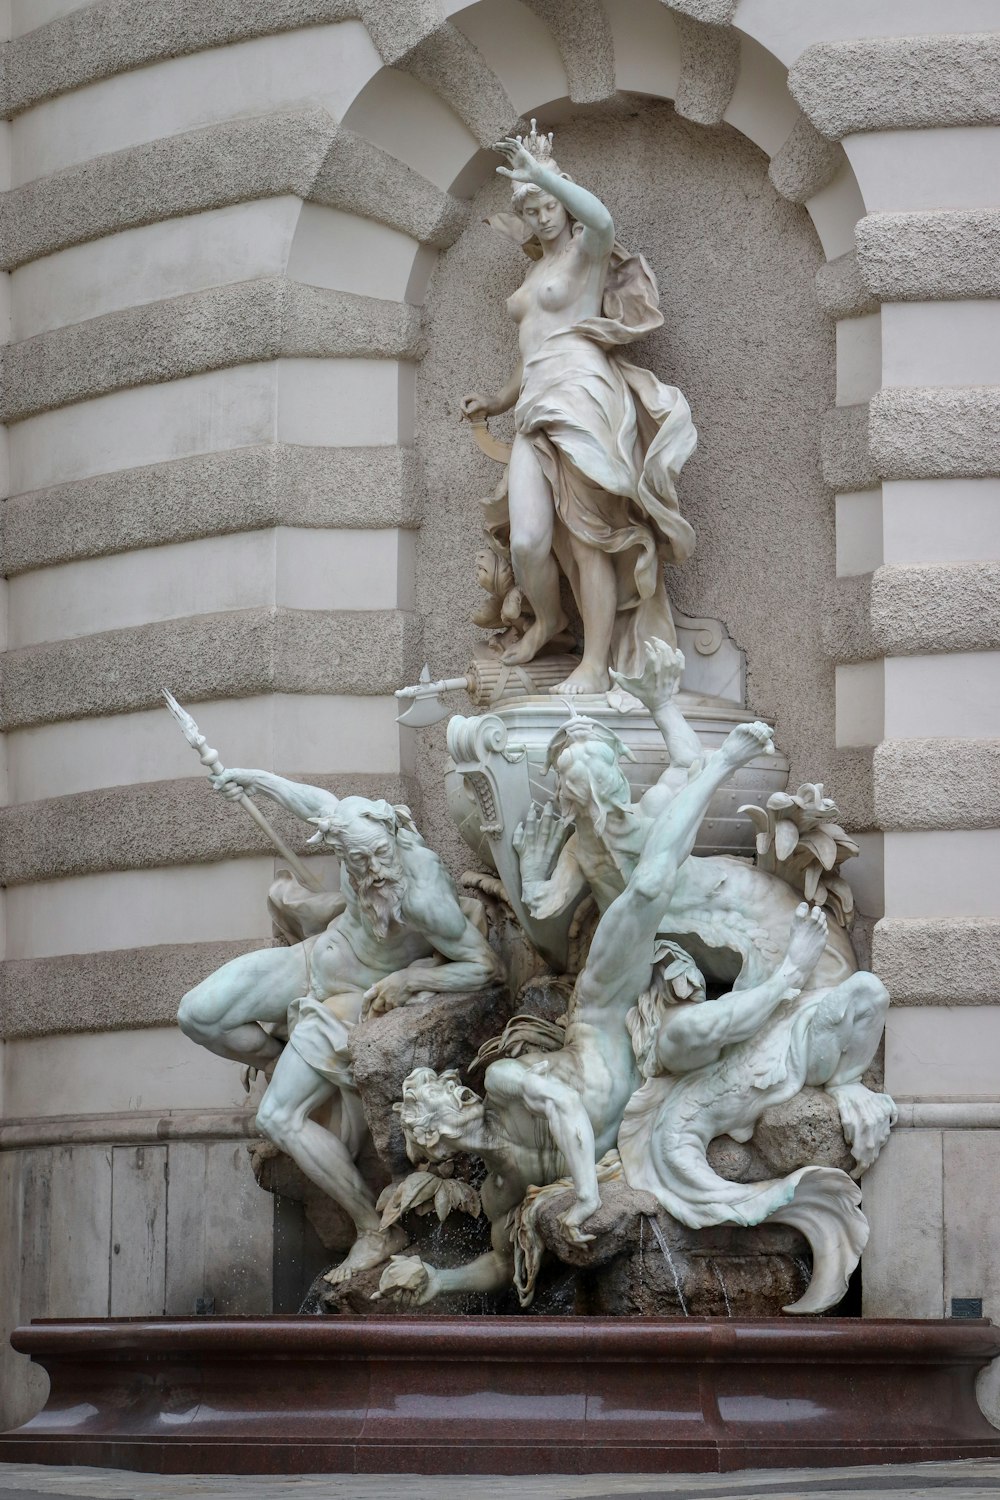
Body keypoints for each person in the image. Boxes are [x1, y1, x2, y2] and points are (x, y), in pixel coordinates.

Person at [376, 718, 775, 1308]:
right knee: (651, 903)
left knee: (645, 889)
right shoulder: (500, 1190)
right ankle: (782, 988)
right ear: (437, 1153)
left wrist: (586, 1194)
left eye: (431, 1122)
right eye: (429, 1138)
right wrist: (442, 1280)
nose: (435, 1139)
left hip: (601, 1016)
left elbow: (563, 1106)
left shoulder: (502, 1083)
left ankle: (725, 763)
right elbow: (499, 1261)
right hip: (627, 1089)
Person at [177, 770, 503, 1281]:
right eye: (358, 861)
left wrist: (408, 981)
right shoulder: (354, 826)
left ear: (394, 834)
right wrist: (254, 780)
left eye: (379, 855)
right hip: (313, 961)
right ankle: (276, 1060)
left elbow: (486, 966)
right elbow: (316, 803)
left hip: (353, 999)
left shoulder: (423, 899)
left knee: (277, 1118)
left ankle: (374, 1228)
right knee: (196, 1014)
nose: (372, 870)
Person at [461, 122, 697, 695]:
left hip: (581, 395)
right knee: (527, 541)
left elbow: (603, 222)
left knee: (590, 534)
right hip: (533, 405)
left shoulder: (585, 256)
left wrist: (545, 176)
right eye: (534, 208)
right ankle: (551, 619)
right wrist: (498, 397)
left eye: (549, 205)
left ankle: (593, 665)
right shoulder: (534, 271)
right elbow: (532, 346)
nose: (544, 217)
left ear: (564, 204)